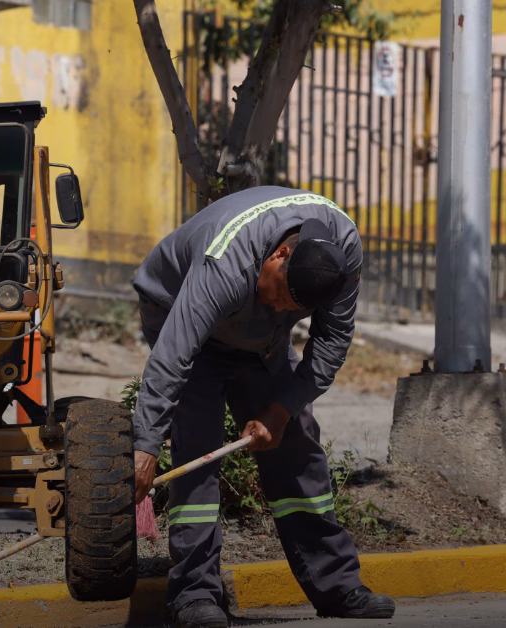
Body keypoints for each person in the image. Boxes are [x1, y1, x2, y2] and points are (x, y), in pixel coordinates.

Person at [130, 187, 393, 628]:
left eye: (294, 308)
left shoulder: (342, 254)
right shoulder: (225, 264)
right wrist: (146, 445)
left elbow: (331, 344)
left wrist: (282, 410)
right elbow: (174, 355)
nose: (281, 306)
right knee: (199, 449)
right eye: (281, 295)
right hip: (180, 314)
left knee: (296, 446)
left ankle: (337, 585)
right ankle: (195, 595)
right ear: (280, 254)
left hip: (261, 339)